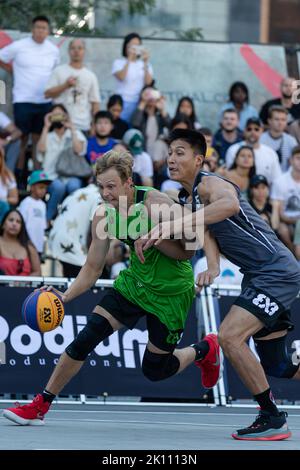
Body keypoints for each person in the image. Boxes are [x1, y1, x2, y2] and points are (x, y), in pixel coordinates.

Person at [2, 149, 221, 425]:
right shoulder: (104, 216)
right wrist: (66, 296)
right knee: (86, 338)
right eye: (101, 186)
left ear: (129, 181)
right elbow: (93, 267)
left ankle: (205, 349)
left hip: (171, 291)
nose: (105, 193)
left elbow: (188, 252)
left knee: (155, 370)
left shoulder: (156, 203)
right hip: (134, 285)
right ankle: (40, 405)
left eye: (111, 186)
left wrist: (154, 236)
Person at [136, 128, 300, 441]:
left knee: (229, 336)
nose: (171, 158)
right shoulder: (189, 197)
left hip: (276, 271)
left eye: (180, 152)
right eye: (170, 152)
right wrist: (212, 266)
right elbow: (208, 229)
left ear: (199, 159)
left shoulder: (211, 183)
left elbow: (229, 207)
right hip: (258, 274)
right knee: (277, 364)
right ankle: (271, 413)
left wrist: (172, 224)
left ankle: (272, 416)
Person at [0, 16, 60, 170]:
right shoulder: (19, 46)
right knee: (21, 138)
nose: (40, 31)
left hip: (44, 101)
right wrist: (11, 70)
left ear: (48, 31)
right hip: (22, 99)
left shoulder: (53, 50)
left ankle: (34, 177)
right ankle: (17, 176)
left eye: (44, 28)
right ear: (32, 29)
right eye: (37, 27)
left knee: (38, 139)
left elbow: (55, 72)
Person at [36, 104, 87, 222]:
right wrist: (46, 126)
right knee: (59, 187)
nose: (58, 117)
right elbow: (41, 151)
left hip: (71, 174)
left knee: (74, 186)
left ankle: (74, 219)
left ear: (66, 117)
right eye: (55, 114)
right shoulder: (47, 135)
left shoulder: (75, 133)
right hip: (51, 176)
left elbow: (79, 150)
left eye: (61, 114)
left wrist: (72, 128)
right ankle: (47, 220)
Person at [45, 38, 100, 134]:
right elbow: (47, 94)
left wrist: (94, 126)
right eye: (73, 48)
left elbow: (95, 103)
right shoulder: (59, 71)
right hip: (60, 123)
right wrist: (66, 85)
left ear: (84, 51)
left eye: (80, 48)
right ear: (68, 51)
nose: (76, 51)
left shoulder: (90, 76)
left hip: (83, 125)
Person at [48, 183, 100, 278]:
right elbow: (94, 233)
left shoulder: (79, 191)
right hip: (73, 246)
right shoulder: (99, 196)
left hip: (56, 239)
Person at [225, 117, 282, 186]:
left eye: (256, 129)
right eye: (249, 129)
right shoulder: (233, 150)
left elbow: (276, 180)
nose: (253, 132)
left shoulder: (271, 153)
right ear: (244, 131)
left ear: (262, 131)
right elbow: (229, 176)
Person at [112, 33, 154, 123]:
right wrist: (129, 60)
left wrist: (145, 62)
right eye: (132, 45)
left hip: (139, 103)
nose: (135, 48)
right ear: (126, 47)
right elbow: (121, 77)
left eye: (138, 45)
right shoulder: (118, 62)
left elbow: (148, 82)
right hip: (122, 102)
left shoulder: (145, 65)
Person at [270, 146, 300, 254]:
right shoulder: (280, 181)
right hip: (286, 220)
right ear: (291, 160)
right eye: (298, 158)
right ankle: (294, 257)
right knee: (283, 231)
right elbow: (280, 212)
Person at [18, 170, 51, 256]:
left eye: (45, 188)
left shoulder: (43, 205)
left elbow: (42, 227)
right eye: (41, 187)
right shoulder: (26, 203)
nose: (44, 190)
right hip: (26, 246)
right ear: (32, 187)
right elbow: (22, 224)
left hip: (38, 247)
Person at [131, 85, 170, 157]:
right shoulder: (140, 114)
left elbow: (170, 126)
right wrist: (143, 102)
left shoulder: (160, 116)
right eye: (148, 94)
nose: (151, 97)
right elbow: (135, 123)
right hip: (142, 153)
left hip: (158, 156)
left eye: (153, 94)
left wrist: (162, 109)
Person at [0, 209, 41, 276]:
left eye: (18, 222)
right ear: (3, 224)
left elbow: (37, 272)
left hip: (25, 286)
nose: (14, 224)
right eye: (11, 220)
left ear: (22, 227)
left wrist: (24, 282)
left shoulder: (28, 246)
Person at [260, 105, 297, 172]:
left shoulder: (291, 141)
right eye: (277, 119)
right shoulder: (260, 139)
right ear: (269, 121)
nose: (280, 123)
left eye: (283, 120)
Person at [0, 146, 18, 222]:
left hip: (1, 207)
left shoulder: (8, 175)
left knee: (4, 205)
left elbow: (15, 199)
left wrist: (2, 199)